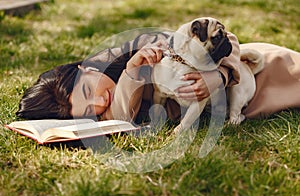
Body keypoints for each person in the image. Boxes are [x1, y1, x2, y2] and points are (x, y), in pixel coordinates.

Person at [16, 31, 300, 123]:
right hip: (241, 109)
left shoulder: (140, 46)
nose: (101, 101)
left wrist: (219, 76)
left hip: (257, 72)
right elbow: (122, 115)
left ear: (87, 69)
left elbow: (223, 38)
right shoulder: (108, 115)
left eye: (90, 90)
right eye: (90, 110)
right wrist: (131, 76)